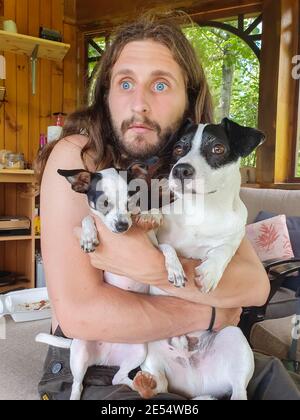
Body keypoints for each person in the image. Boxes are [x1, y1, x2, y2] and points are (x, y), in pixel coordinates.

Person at [36, 11, 300, 400]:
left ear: (189, 100)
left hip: (194, 353)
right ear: (106, 93)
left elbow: (254, 286)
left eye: (160, 84)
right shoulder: (80, 157)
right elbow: (81, 315)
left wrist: (156, 270)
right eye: (125, 83)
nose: (139, 103)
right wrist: (209, 311)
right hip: (105, 361)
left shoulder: (196, 172)